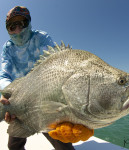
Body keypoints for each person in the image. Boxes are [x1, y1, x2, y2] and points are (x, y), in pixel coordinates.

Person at [0, 6, 76, 150]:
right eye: (12, 26)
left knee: (64, 146)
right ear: (7, 29)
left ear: (28, 23)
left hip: (45, 102)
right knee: (13, 146)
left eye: (21, 24)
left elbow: (55, 63)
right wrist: (8, 97)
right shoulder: (7, 48)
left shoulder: (41, 37)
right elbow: (4, 75)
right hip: (19, 100)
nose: (17, 30)